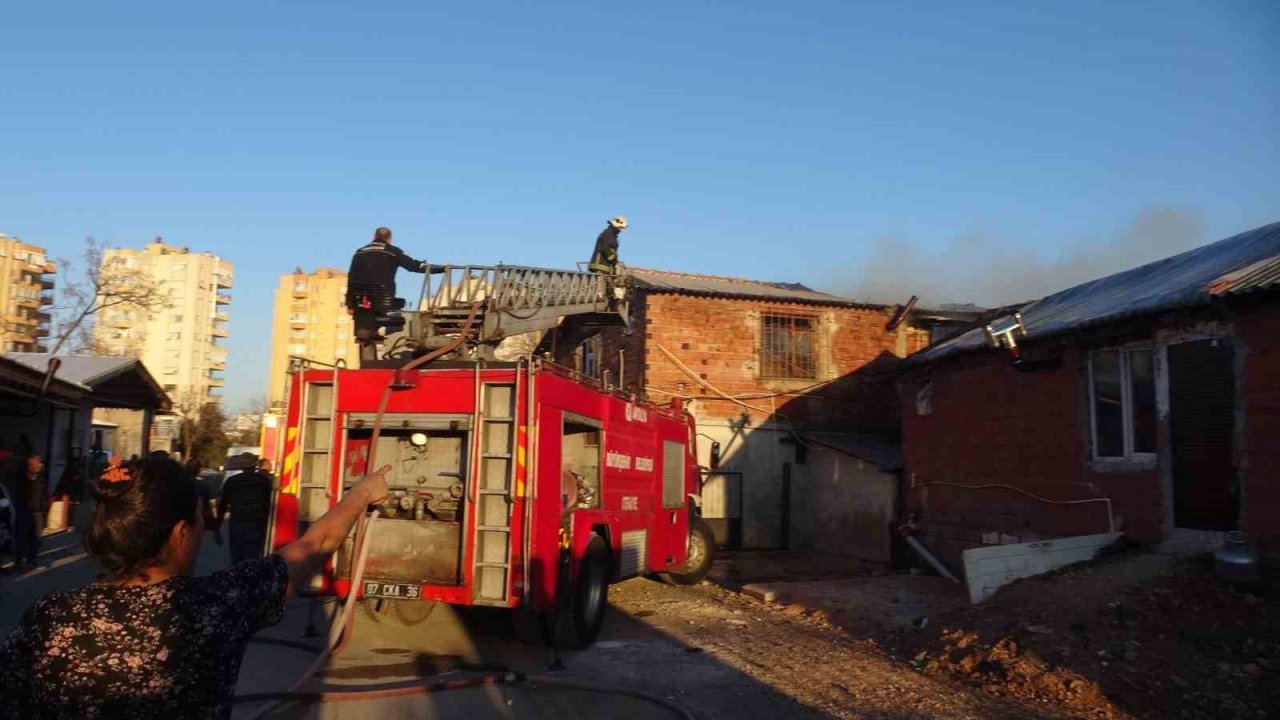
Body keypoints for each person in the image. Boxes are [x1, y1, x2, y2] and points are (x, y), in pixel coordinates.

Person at [0, 456, 390, 718]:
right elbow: (315, 544)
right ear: (180, 533)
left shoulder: (48, 617)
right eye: (199, 523)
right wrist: (362, 493)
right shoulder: (216, 606)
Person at [346, 226, 445, 343]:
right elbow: (414, 266)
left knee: (366, 309)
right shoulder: (393, 252)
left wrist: (350, 304)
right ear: (389, 239)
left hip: (361, 304)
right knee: (403, 318)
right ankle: (383, 333)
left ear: (374, 237)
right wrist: (442, 269)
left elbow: (351, 278)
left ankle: (367, 331)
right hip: (383, 304)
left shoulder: (359, 253)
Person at [217, 457, 274, 564]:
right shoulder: (264, 482)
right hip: (256, 525)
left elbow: (223, 505)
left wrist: (217, 528)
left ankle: (237, 579)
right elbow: (269, 505)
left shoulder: (232, 481)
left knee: (236, 558)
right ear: (255, 466)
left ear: (242, 467)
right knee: (252, 559)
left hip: (237, 525)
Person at [11, 455, 47, 573]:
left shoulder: (41, 478)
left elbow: (44, 493)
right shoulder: (21, 478)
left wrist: (44, 506)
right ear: (31, 466)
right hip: (23, 512)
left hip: (38, 512)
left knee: (37, 538)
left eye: (41, 463)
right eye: (38, 463)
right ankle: (18, 563)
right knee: (21, 537)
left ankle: (31, 561)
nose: (41, 465)